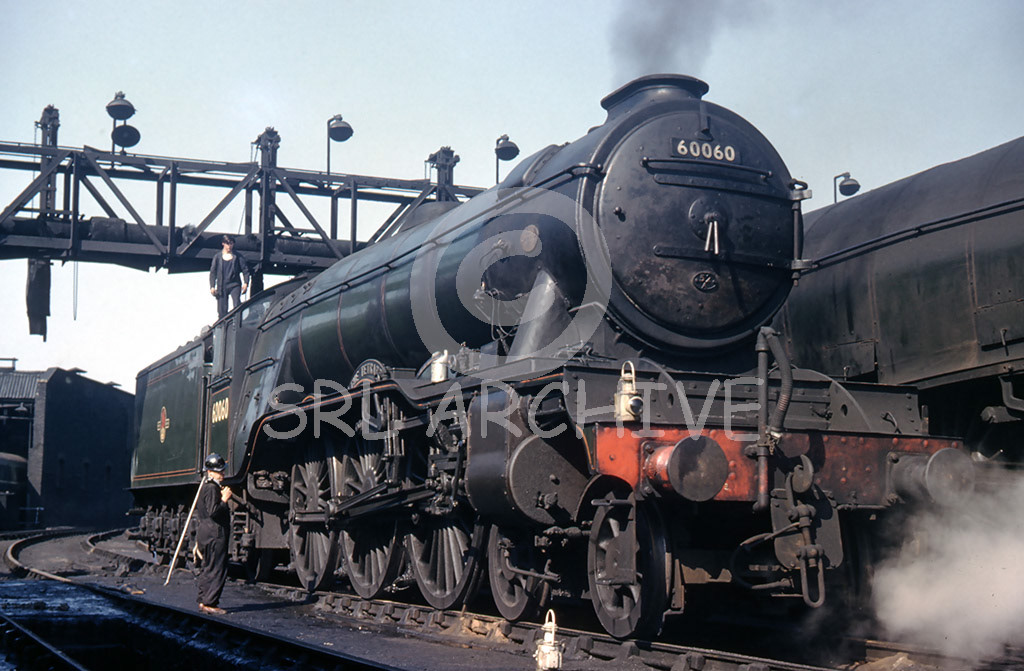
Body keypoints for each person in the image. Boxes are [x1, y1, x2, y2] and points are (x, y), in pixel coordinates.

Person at [196, 452, 232, 615]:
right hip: (214, 533)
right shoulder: (212, 488)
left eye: (222, 470)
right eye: (219, 471)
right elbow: (213, 511)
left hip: (206, 531)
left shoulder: (206, 487)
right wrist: (224, 499)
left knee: (208, 566)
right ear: (210, 472)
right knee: (217, 568)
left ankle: (204, 600)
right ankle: (210, 602)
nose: (222, 473)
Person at [209, 235, 250, 319]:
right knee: (222, 310)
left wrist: (246, 283)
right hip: (222, 286)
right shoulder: (217, 257)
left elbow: (245, 270)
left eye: (231, 244)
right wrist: (212, 286)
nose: (229, 246)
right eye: (228, 244)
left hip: (234, 284)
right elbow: (213, 272)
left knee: (237, 305)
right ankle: (223, 327)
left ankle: (237, 322)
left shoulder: (238, 256)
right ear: (223, 244)